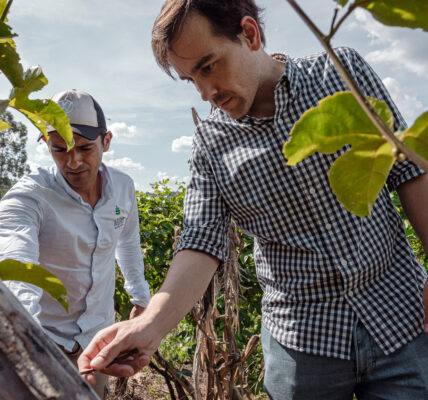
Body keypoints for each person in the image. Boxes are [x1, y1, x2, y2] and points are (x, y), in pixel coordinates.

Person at [78, 1, 428, 399]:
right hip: (304, 343)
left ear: (250, 34)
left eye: (209, 66)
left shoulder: (339, 73)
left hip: (401, 315)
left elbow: (410, 168)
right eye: (191, 78)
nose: (206, 92)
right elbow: (201, 241)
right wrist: (152, 325)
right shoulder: (211, 143)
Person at [0, 89, 151, 399]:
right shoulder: (29, 197)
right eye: (60, 149)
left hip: (98, 342)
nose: (73, 161)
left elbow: (128, 242)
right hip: (45, 340)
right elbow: (16, 268)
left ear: (106, 142)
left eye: (85, 148)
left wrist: (140, 297)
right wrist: (27, 344)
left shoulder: (123, 188)